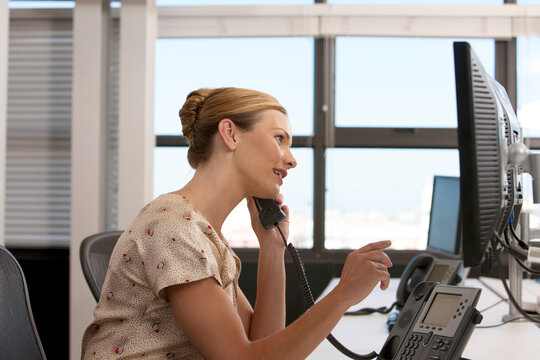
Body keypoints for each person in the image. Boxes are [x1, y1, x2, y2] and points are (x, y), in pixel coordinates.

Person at [81, 87, 392, 360]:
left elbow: (261, 342)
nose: (291, 159)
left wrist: (272, 248)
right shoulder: (172, 226)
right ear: (230, 134)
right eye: (279, 139)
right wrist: (342, 296)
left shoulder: (202, 233)